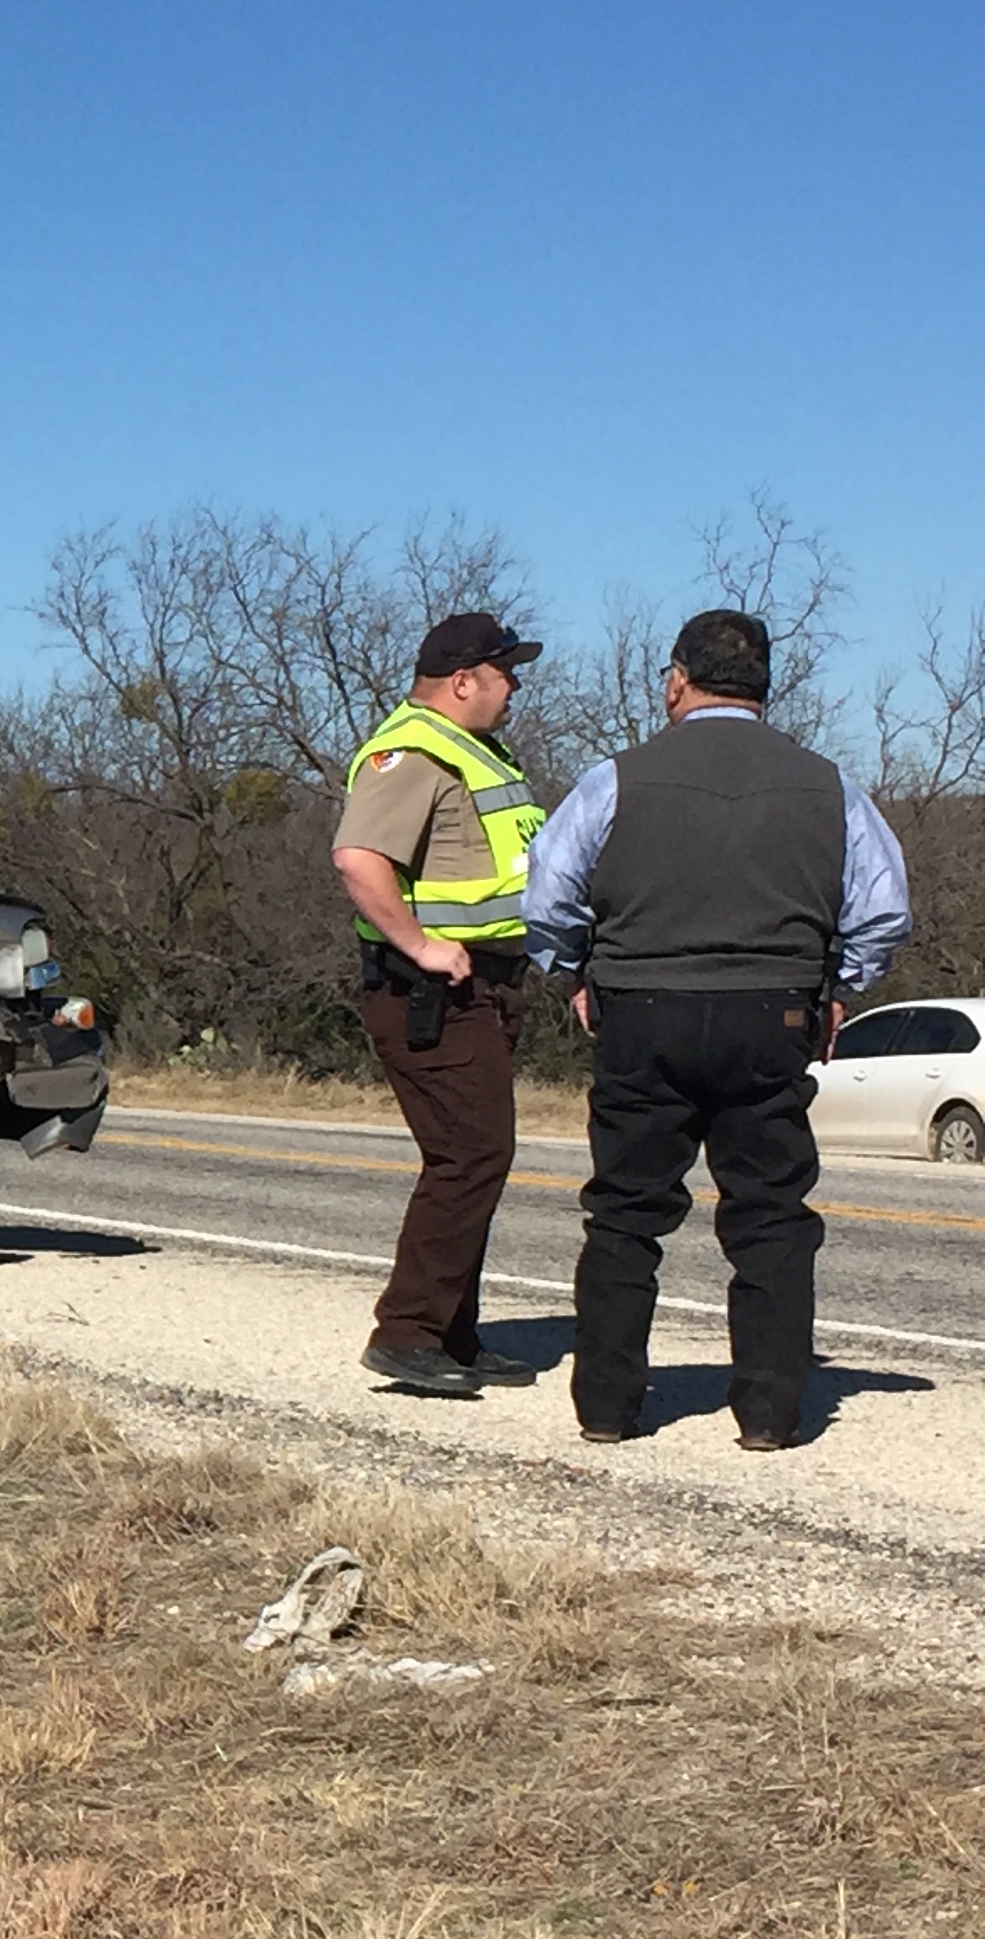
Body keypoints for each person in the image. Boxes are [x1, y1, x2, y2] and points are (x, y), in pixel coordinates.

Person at [524, 608, 912, 1449]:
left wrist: (577, 972)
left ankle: (607, 1408)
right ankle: (768, 1415)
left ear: (676, 682)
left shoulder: (615, 780)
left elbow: (547, 896)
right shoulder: (829, 786)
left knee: (626, 1212)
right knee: (770, 1214)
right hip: (773, 1010)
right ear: (765, 688)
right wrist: (836, 987)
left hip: (641, 1009)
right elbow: (883, 912)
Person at [332, 612, 550, 1396]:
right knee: (470, 1154)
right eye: (505, 672)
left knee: (474, 1156)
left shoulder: (475, 751)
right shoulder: (414, 751)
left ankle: (453, 1334)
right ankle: (408, 1333)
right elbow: (358, 859)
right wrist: (420, 945)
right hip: (429, 991)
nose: (515, 686)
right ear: (463, 680)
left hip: (483, 986)